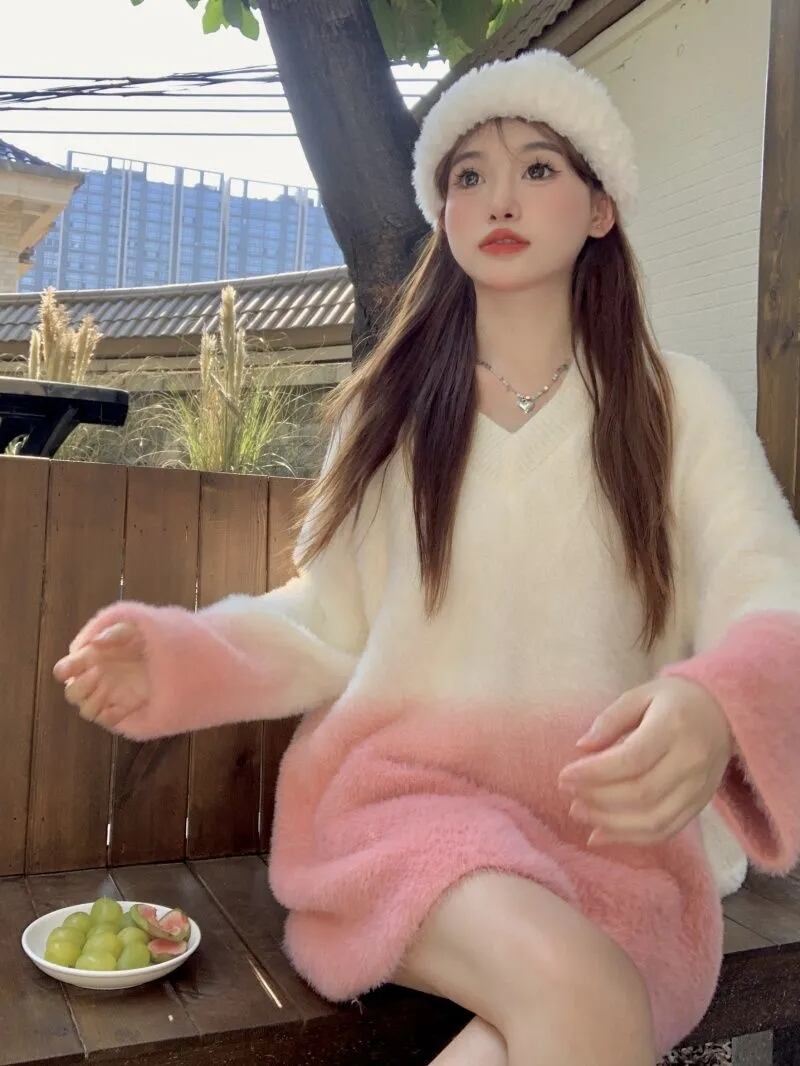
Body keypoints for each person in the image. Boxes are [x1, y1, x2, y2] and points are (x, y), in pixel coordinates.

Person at [51, 48, 800, 1066]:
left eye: (538, 168)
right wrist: (181, 655)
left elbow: (770, 589)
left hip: (615, 846)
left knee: (556, 1019)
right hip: (407, 813)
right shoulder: (392, 413)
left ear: (599, 207)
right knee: (578, 989)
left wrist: (716, 706)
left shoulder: (679, 407)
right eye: (468, 175)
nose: (499, 197)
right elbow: (325, 619)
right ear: (444, 214)